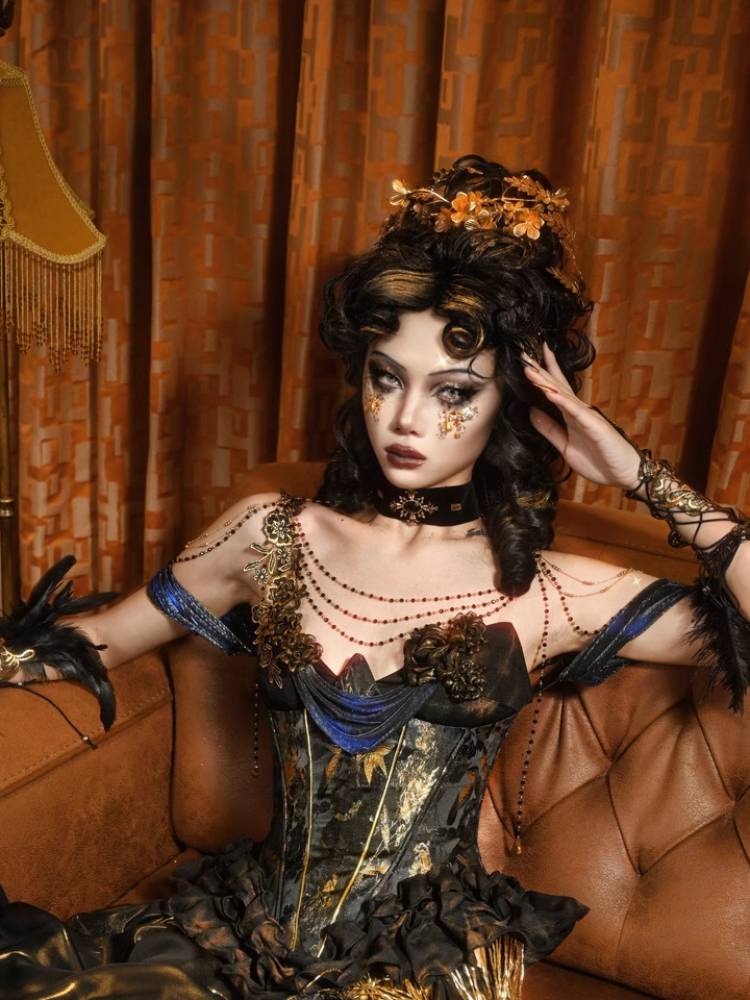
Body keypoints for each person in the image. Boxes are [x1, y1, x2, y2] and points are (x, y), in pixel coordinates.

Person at [0, 154, 748, 1000]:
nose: (406, 418)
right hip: (246, 936)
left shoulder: (550, 591)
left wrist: (637, 474)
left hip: (415, 970)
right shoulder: (272, 535)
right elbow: (99, 637)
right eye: (386, 377)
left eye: (454, 392)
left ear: (511, 403)